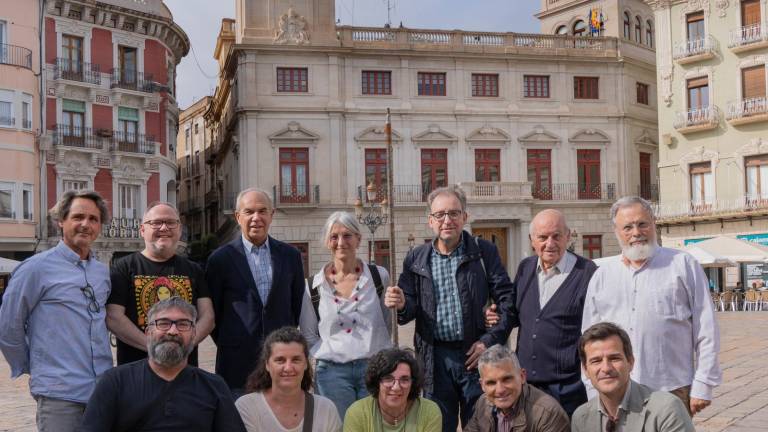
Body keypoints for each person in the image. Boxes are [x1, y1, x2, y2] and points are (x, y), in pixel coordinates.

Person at [384, 185, 515, 431]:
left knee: (482, 424)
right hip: (435, 359)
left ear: (465, 217)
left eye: (454, 213)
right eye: (440, 214)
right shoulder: (416, 258)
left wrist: (488, 339)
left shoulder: (483, 252)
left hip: (475, 355)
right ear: (430, 221)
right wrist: (402, 303)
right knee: (437, 425)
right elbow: (408, 309)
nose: (448, 220)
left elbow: (507, 300)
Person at [582, 196, 721, 415]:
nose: (636, 232)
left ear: (653, 223)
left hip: (671, 388)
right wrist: (592, 389)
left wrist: (704, 383)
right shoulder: (602, 276)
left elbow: (706, 327)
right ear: (616, 232)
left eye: (642, 224)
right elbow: (588, 338)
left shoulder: (682, 265)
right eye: (627, 227)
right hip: (617, 391)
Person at [0, 190, 112, 432]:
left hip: (102, 392)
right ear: (61, 221)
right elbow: (9, 327)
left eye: (93, 219)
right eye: (78, 216)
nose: (86, 224)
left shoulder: (102, 272)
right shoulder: (35, 268)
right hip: (60, 395)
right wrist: (36, 367)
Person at [485, 209, 596, 416]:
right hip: (527, 386)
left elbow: (597, 328)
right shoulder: (526, 268)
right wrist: (496, 315)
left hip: (567, 389)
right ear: (532, 240)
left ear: (568, 236)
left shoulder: (588, 272)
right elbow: (515, 313)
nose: (550, 243)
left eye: (556, 236)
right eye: (543, 237)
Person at [80, 297, 246, 431]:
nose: (173, 331)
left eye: (183, 324)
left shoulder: (214, 386)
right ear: (149, 332)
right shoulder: (115, 381)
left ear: (194, 334)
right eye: (164, 323)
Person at [206, 188, 306, 394]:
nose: (256, 218)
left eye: (262, 211)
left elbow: (297, 306)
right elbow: (212, 313)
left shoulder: (291, 256)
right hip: (235, 364)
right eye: (249, 211)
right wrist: (234, 340)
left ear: (272, 215)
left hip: (281, 362)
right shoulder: (220, 259)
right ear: (237, 217)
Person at [299, 211, 392, 418]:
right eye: (334, 236)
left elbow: (386, 323)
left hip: (374, 369)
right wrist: (326, 359)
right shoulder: (313, 286)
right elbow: (308, 334)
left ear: (358, 239)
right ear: (327, 242)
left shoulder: (379, 277)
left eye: (347, 235)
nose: (341, 242)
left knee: (374, 426)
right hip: (332, 374)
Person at [107, 202, 214, 366]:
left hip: (184, 373)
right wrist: (154, 347)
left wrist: (184, 347)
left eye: (171, 222)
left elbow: (208, 317)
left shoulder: (194, 270)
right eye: (156, 223)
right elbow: (114, 317)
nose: (164, 228)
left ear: (179, 230)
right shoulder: (123, 268)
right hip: (137, 373)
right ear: (142, 230)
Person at [573, 322, 695, 432]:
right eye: (596, 361)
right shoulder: (581, 418)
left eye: (614, 358)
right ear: (586, 370)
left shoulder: (666, 409)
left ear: (630, 362)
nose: (606, 368)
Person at [236, 327, 342, 432]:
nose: (288, 368)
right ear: (267, 364)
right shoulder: (247, 407)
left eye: (296, 360)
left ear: (305, 363)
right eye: (280, 360)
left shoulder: (326, 409)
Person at [465, 345, 569, 432]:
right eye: (491, 383)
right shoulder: (483, 403)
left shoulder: (547, 414)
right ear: (482, 385)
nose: (500, 390)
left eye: (506, 379)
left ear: (522, 376)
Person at [343, 348, 442, 432]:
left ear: (413, 383)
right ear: (377, 381)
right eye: (388, 379)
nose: (396, 387)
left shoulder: (429, 412)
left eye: (404, 379)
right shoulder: (358, 413)